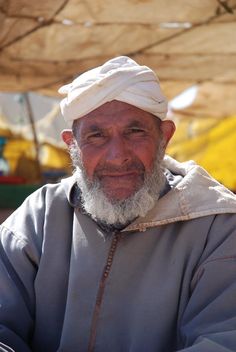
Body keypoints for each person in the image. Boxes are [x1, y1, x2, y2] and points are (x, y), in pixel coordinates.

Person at [0, 56, 236, 352]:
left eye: (135, 132)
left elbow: (224, 339)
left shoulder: (218, 225)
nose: (117, 156)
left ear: (164, 137)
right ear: (72, 145)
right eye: (96, 136)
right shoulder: (39, 216)